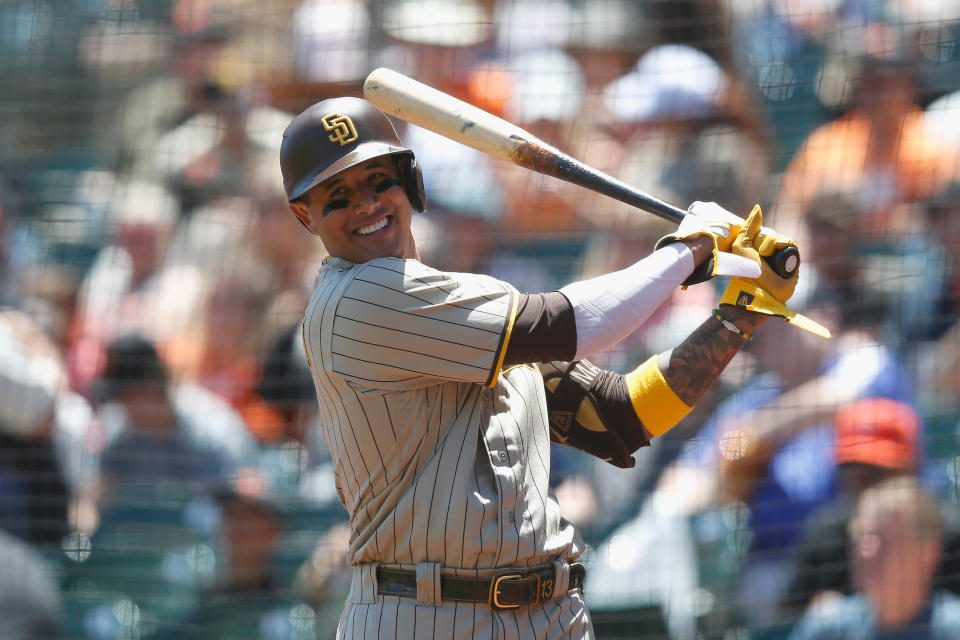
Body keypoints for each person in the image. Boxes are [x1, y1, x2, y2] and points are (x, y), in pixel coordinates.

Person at [278, 96, 816, 638]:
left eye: (378, 181)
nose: (367, 205)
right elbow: (578, 323)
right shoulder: (355, 299)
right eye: (338, 197)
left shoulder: (463, 316)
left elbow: (620, 416)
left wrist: (739, 314)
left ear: (409, 181)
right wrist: (690, 249)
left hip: (549, 614)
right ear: (305, 216)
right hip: (423, 614)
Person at [783, 398, 960, 617]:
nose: (865, 483)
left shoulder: (949, 531)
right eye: (853, 469)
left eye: (877, 471)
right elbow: (786, 618)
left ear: (912, 466)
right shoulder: (826, 533)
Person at [787, 476, 960, 639]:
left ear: (927, 552)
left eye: (884, 539)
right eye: (861, 536)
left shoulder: (953, 629)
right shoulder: (827, 628)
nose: (866, 551)